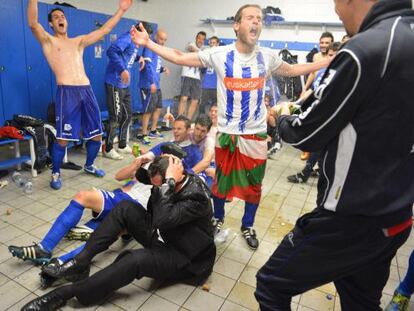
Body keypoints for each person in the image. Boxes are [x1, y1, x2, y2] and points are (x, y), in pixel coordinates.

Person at [255, 0, 414, 310]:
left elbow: (307, 134)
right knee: (361, 301)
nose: (336, 10)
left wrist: (282, 118)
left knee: (271, 285)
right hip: (396, 214)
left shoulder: (365, 49)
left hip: (350, 218)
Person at [130, 4, 328, 249]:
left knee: (254, 186)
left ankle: (248, 225)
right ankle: (218, 218)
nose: (256, 21)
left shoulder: (267, 56)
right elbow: (179, 57)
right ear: (237, 25)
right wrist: (148, 43)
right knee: (221, 184)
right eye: (250, 17)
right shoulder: (220, 54)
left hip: (255, 136)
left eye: (259, 18)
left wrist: (325, 62)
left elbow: (293, 69)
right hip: (227, 136)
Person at [22, 155, 215, 311]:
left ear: (176, 178)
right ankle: (81, 262)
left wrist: (167, 182)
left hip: (184, 257)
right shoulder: (164, 181)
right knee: (125, 207)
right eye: (155, 185)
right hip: (165, 236)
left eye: (161, 185)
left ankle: (66, 293)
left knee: (133, 260)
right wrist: (142, 163)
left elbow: (161, 219)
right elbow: (135, 177)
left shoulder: (197, 195)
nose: (156, 188)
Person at [27, 0, 132, 190]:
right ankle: (56, 172)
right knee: (63, 139)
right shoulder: (49, 41)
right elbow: (33, 23)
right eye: (56, 17)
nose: (61, 19)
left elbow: (104, 31)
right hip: (67, 93)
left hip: (86, 90)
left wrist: (121, 10)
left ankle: (89, 165)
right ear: (51, 24)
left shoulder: (78, 42)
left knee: (96, 135)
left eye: (63, 16)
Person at [8, 159, 152, 269]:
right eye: (175, 129)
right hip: (120, 196)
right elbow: (119, 176)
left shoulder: (171, 177)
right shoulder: (155, 159)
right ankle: (44, 248)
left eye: (177, 129)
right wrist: (137, 164)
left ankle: (64, 262)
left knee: (107, 233)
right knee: (82, 196)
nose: (176, 132)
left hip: (136, 209)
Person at [286, 41, 342, 183]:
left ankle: (310, 173)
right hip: (320, 117)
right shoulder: (323, 73)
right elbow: (311, 92)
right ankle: (309, 172)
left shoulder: (344, 76)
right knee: (319, 146)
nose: (332, 59)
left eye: (336, 56)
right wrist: (295, 104)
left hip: (334, 120)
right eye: (330, 55)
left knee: (324, 149)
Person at [104, 22, 147, 160]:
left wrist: (139, 58)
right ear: (136, 30)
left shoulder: (134, 41)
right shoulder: (127, 38)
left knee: (128, 115)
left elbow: (129, 54)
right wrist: (122, 70)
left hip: (124, 85)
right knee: (115, 118)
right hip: (114, 83)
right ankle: (108, 148)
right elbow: (111, 51)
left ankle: (122, 145)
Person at [299, 31, 334, 161]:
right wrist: (305, 88)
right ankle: (306, 149)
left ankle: (315, 153)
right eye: (322, 42)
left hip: (325, 93)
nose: (323, 45)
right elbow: (313, 74)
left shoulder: (334, 57)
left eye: (327, 43)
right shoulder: (316, 56)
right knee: (303, 114)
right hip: (314, 90)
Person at [137, 29, 170, 145]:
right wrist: (151, 82)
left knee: (158, 107)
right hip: (148, 85)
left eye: (164, 40)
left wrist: (163, 69)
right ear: (156, 36)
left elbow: (156, 67)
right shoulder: (149, 47)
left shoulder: (158, 49)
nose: (162, 42)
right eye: (161, 39)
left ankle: (153, 130)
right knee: (147, 110)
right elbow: (148, 66)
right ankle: (143, 134)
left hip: (156, 84)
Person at [178, 31, 206, 120]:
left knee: (195, 100)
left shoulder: (204, 50)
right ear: (196, 38)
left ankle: (188, 120)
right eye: (199, 38)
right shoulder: (190, 44)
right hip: (186, 75)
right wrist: (202, 54)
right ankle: (180, 119)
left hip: (197, 78)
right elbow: (192, 48)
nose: (200, 40)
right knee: (184, 98)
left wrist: (203, 53)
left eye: (203, 39)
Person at [200, 36, 220, 115]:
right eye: (211, 43)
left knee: (215, 106)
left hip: (216, 86)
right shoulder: (206, 53)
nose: (212, 45)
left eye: (214, 43)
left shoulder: (220, 55)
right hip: (206, 85)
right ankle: (201, 122)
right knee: (202, 105)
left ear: (217, 44)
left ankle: (213, 123)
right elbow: (202, 70)